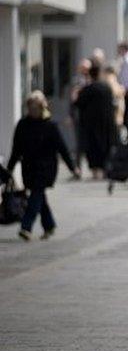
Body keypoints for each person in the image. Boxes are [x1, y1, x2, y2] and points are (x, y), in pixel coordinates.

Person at [6, 92, 81, 241]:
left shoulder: (50, 126)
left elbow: (62, 148)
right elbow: (16, 150)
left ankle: (26, 226)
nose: (33, 111)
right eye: (31, 108)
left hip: (46, 168)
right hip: (29, 167)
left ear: (42, 108)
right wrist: (9, 169)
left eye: (36, 108)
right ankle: (49, 225)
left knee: (36, 194)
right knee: (39, 196)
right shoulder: (22, 125)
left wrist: (73, 168)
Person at [75, 63, 118, 179]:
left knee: (93, 148)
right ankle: (104, 170)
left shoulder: (87, 89)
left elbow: (78, 103)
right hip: (106, 124)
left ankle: (95, 172)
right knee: (104, 147)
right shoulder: (106, 88)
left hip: (91, 125)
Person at [69, 58, 93, 169]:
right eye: (83, 68)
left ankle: (92, 165)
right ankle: (77, 167)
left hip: (90, 115)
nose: (85, 70)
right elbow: (72, 100)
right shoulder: (76, 81)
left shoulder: (93, 80)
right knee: (79, 142)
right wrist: (70, 115)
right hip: (79, 115)